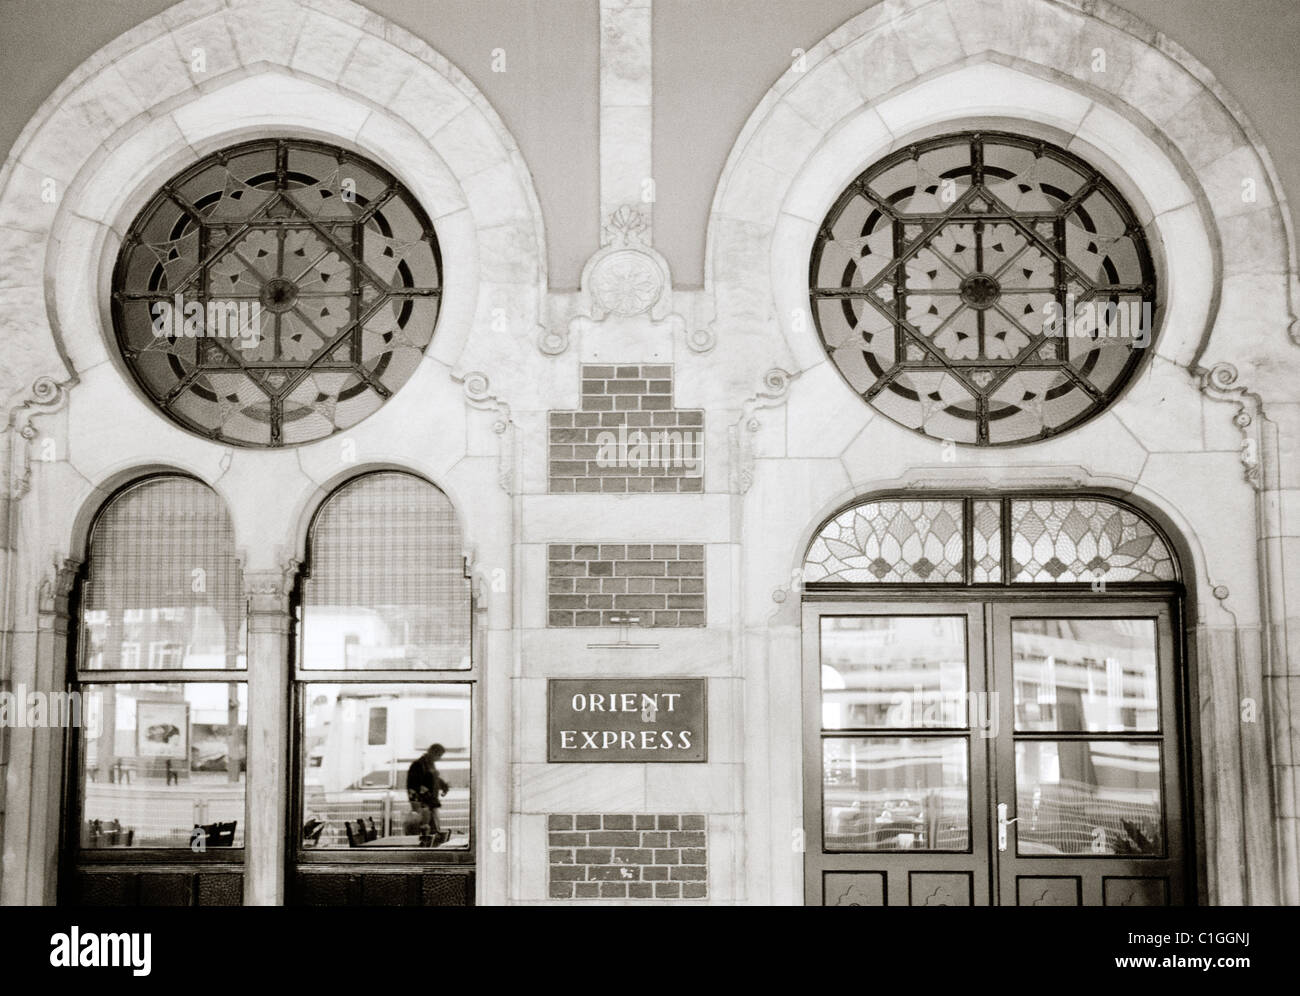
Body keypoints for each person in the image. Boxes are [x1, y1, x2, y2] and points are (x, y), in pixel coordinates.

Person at [406, 743, 450, 843]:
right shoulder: (418, 765)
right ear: (432, 752)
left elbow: (433, 779)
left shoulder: (429, 764)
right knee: (428, 833)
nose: (439, 758)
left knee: (433, 832)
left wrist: (442, 785)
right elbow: (413, 787)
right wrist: (418, 806)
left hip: (430, 804)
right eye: (439, 755)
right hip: (424, 806)